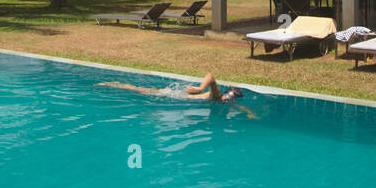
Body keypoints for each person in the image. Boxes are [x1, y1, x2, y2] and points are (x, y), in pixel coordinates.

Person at [98, 73, 257, 118]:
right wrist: (199, 89)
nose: (227, 100)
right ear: (225, 94)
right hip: (173, 96)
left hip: (176, 97)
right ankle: (112, 84)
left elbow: (240, 107)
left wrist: (249, 113)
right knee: (138, 89)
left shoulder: (225, 102)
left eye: (230, 100)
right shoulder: (215, 96)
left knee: (141, 90)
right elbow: (211, 76)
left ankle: (114, 84)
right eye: (227, 98)